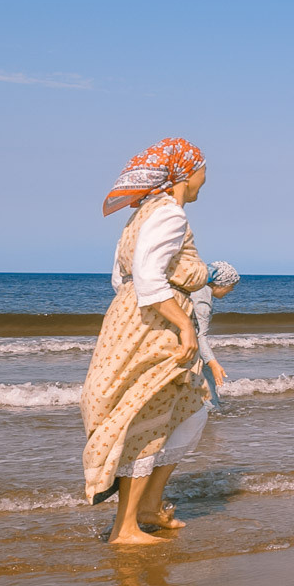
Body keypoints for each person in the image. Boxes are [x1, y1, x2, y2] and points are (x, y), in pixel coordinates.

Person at [81, 137, 219, 546]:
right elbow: (146, 277)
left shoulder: (143, 214)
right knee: (148, 417)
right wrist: (185, 325)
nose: (205, 179)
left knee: (189, 411)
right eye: (202, 170)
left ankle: (147, 507)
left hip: (135, 320)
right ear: (185, 173)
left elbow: (121, 279)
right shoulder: (170, 215)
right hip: (155, 325)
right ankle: (125, 530)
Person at [190, 260, 240, 404]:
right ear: (220, 284)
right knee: (205, 381)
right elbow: (199, 335)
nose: (231, 290)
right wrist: (213, 363)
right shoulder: (202, 303)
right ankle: (211, 410)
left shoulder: (197, 290)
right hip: (189, 347)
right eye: (231, 286)